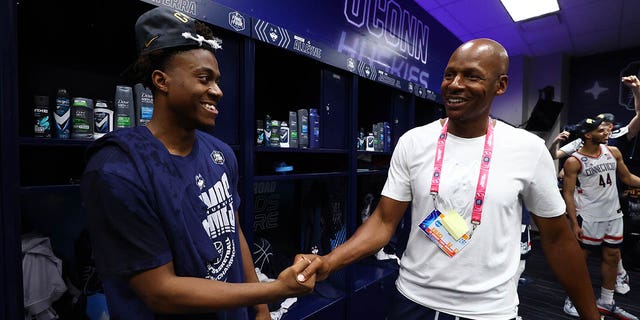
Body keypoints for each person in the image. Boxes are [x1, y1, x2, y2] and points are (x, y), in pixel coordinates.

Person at [295, 38, 602, 319]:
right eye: (449, 74)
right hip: (412, 301)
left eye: (472, 76)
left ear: (501, 85)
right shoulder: (413, 142)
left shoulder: (528, 149)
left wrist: (590, 315)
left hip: (487, 311)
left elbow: (558, 240)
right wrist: (329, 262)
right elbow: (383, 222)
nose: (455, 84)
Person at [80, 6, 315, 319]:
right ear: (161, 81)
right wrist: (276, 290)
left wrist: (259, 311)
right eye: (204, 79)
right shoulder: (117, 169)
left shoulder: (221, 153)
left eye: (217, 80)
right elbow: (160, 293)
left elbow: (234, 232)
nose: (216, 91)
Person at [550, 75, 640, 295]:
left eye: (609, 125)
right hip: (588, 207)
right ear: (590, 132)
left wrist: (637, 91)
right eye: (603, 126)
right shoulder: (578, 147)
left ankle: (616, 281)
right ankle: (577, 295)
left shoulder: (614, 142)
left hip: (613, 201)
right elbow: (557, 158)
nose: (608, 129)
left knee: (613, 250)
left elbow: (639, 117)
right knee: (585, 253)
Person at [561, 117, 640, 320]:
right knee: (580, 260)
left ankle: (606, 301)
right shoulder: (573, 161)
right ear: (588, 135)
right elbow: (568, 194)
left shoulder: (613, 152)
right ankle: (573, 300)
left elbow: (628, 178)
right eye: (601, 130)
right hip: (588, 217)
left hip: (613, 215)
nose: (607, 133)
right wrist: (572, 221)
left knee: (613, 256)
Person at [549, 75, 640, 161]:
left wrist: (636, 90)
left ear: (611, 126)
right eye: (598, 123)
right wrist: (555, 142)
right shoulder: (582, 142)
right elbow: (554, 155)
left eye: (606, 124)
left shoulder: (618, 136)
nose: (601, 127)